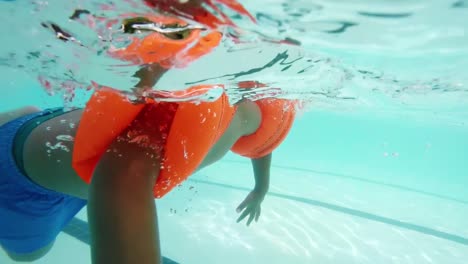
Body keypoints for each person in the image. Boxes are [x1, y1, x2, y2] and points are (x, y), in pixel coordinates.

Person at [0, 13, 297, 264]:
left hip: (57, 150)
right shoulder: (209, 109)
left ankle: (24, 117)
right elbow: (124, 173)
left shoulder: (245, 110)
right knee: (28, 255)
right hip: (21, 175)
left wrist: (261, 188)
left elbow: (261, 149)